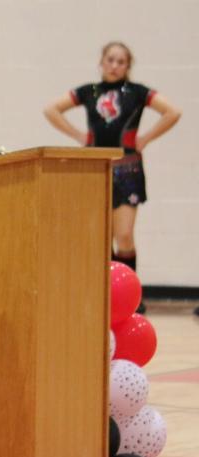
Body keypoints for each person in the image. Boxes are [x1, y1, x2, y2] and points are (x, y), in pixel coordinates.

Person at [44, 41, 182, 313]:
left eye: (121, 61)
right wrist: (78, 136)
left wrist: (146, 139)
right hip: (96, 168)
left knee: (124, 235)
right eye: (110, 59)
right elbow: (51, 109)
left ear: (128, 66)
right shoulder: (89, 91)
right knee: (100, 236)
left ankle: (130, 295)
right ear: (101, 62)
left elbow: (173, 111)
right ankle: (106, 294)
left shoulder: (137, 92)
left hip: (128, 168)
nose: (115, 65)